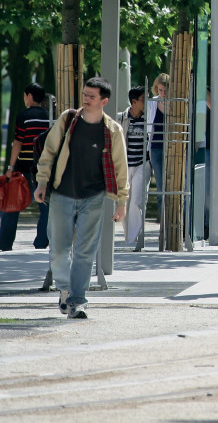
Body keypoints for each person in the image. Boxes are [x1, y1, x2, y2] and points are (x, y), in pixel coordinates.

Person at [34, 77, 129, 319]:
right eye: (84, 94)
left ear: (104, 101)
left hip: (93, 197)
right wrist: (42, 181)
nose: (85, 99)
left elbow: (120, 168)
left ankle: (78, 300)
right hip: (62, 194)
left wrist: (121, 202)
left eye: (92, 96)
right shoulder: (68, 119)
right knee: (59, 250)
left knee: (85, 252)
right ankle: (65, 289)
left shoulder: (112, 131)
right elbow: (49, 151)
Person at [1, 83, 51, 251]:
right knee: (45, 206)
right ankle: (41, 243)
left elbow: (18, 143)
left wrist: (10, 166)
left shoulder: (24, 116)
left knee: (12, 204)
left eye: (24, 96)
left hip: (24, 167)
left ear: (29, 96)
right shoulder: (49, 117)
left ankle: (5, 243)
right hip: (44, 168)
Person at [118, 86, 151, 251]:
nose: (147, 102)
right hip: (125, 166)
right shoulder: (121, 118)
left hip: (142, 164)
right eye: (144, 99)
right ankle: (128, 237)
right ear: (134, 102)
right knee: (125, 201)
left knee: (137, 202)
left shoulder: (148, 119)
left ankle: (133, 240)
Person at [146, 73, 169, 200]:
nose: (163, 93)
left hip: (172, 148)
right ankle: (162, 217)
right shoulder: (152, 103)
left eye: (166, 90)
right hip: (155, 147)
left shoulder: (176, 104)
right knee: (160, 186)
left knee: (173, 185)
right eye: (160, 90)